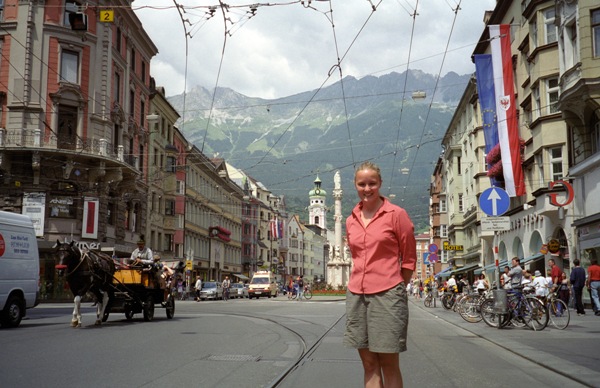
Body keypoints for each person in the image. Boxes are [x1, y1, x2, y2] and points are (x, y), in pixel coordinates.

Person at [343, 161, 417, 388]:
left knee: (388, 362)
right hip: (356, 294)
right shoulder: (351, 219)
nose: (367, 189)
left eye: (372, 183)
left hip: (387, 294)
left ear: (380, 184)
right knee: (368, 363)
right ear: (355, 185)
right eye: (362, 184)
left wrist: (395, 286)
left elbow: (409, 258)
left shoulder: (396, 215)